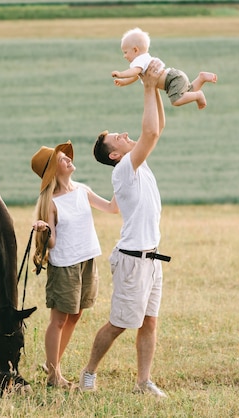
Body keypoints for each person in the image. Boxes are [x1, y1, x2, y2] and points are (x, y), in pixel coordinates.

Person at [79, 59, 171, 398]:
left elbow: (156, 127)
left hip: (152, 259)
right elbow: (150, 132)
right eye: (120, 137)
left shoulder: (138, 165)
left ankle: (143, 383)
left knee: (149, 322)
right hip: (133, 259)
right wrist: (147, 86)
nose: (127, 135)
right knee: (120, 323)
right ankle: (88, 372)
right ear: (115, 155)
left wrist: (157, 87)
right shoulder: (125, 170)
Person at [30, 140, 119, 389]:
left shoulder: (82, 190)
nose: (69, 159)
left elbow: (112, 208)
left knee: (75, 316)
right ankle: (53, 375)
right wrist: (45, 229)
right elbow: (52, 242)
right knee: (59, 320)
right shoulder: (52, 202)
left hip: (87, 260)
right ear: (54, 170)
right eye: (62, 159)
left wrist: (125, 177)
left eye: (67, 157)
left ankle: (53, 366)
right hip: (65, 265)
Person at [111, 27, 217, 110]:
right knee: (188, 92)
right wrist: (124, 82)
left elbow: (133, 72)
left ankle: (199, 95)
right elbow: (135, 76)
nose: (124, 56)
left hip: (171, 79)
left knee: (176, 101)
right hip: (174, 77)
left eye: (125, 52)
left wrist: (121, 74)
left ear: (135, 50)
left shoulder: (139, 60)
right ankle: (201, 78)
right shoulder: (143, 60)